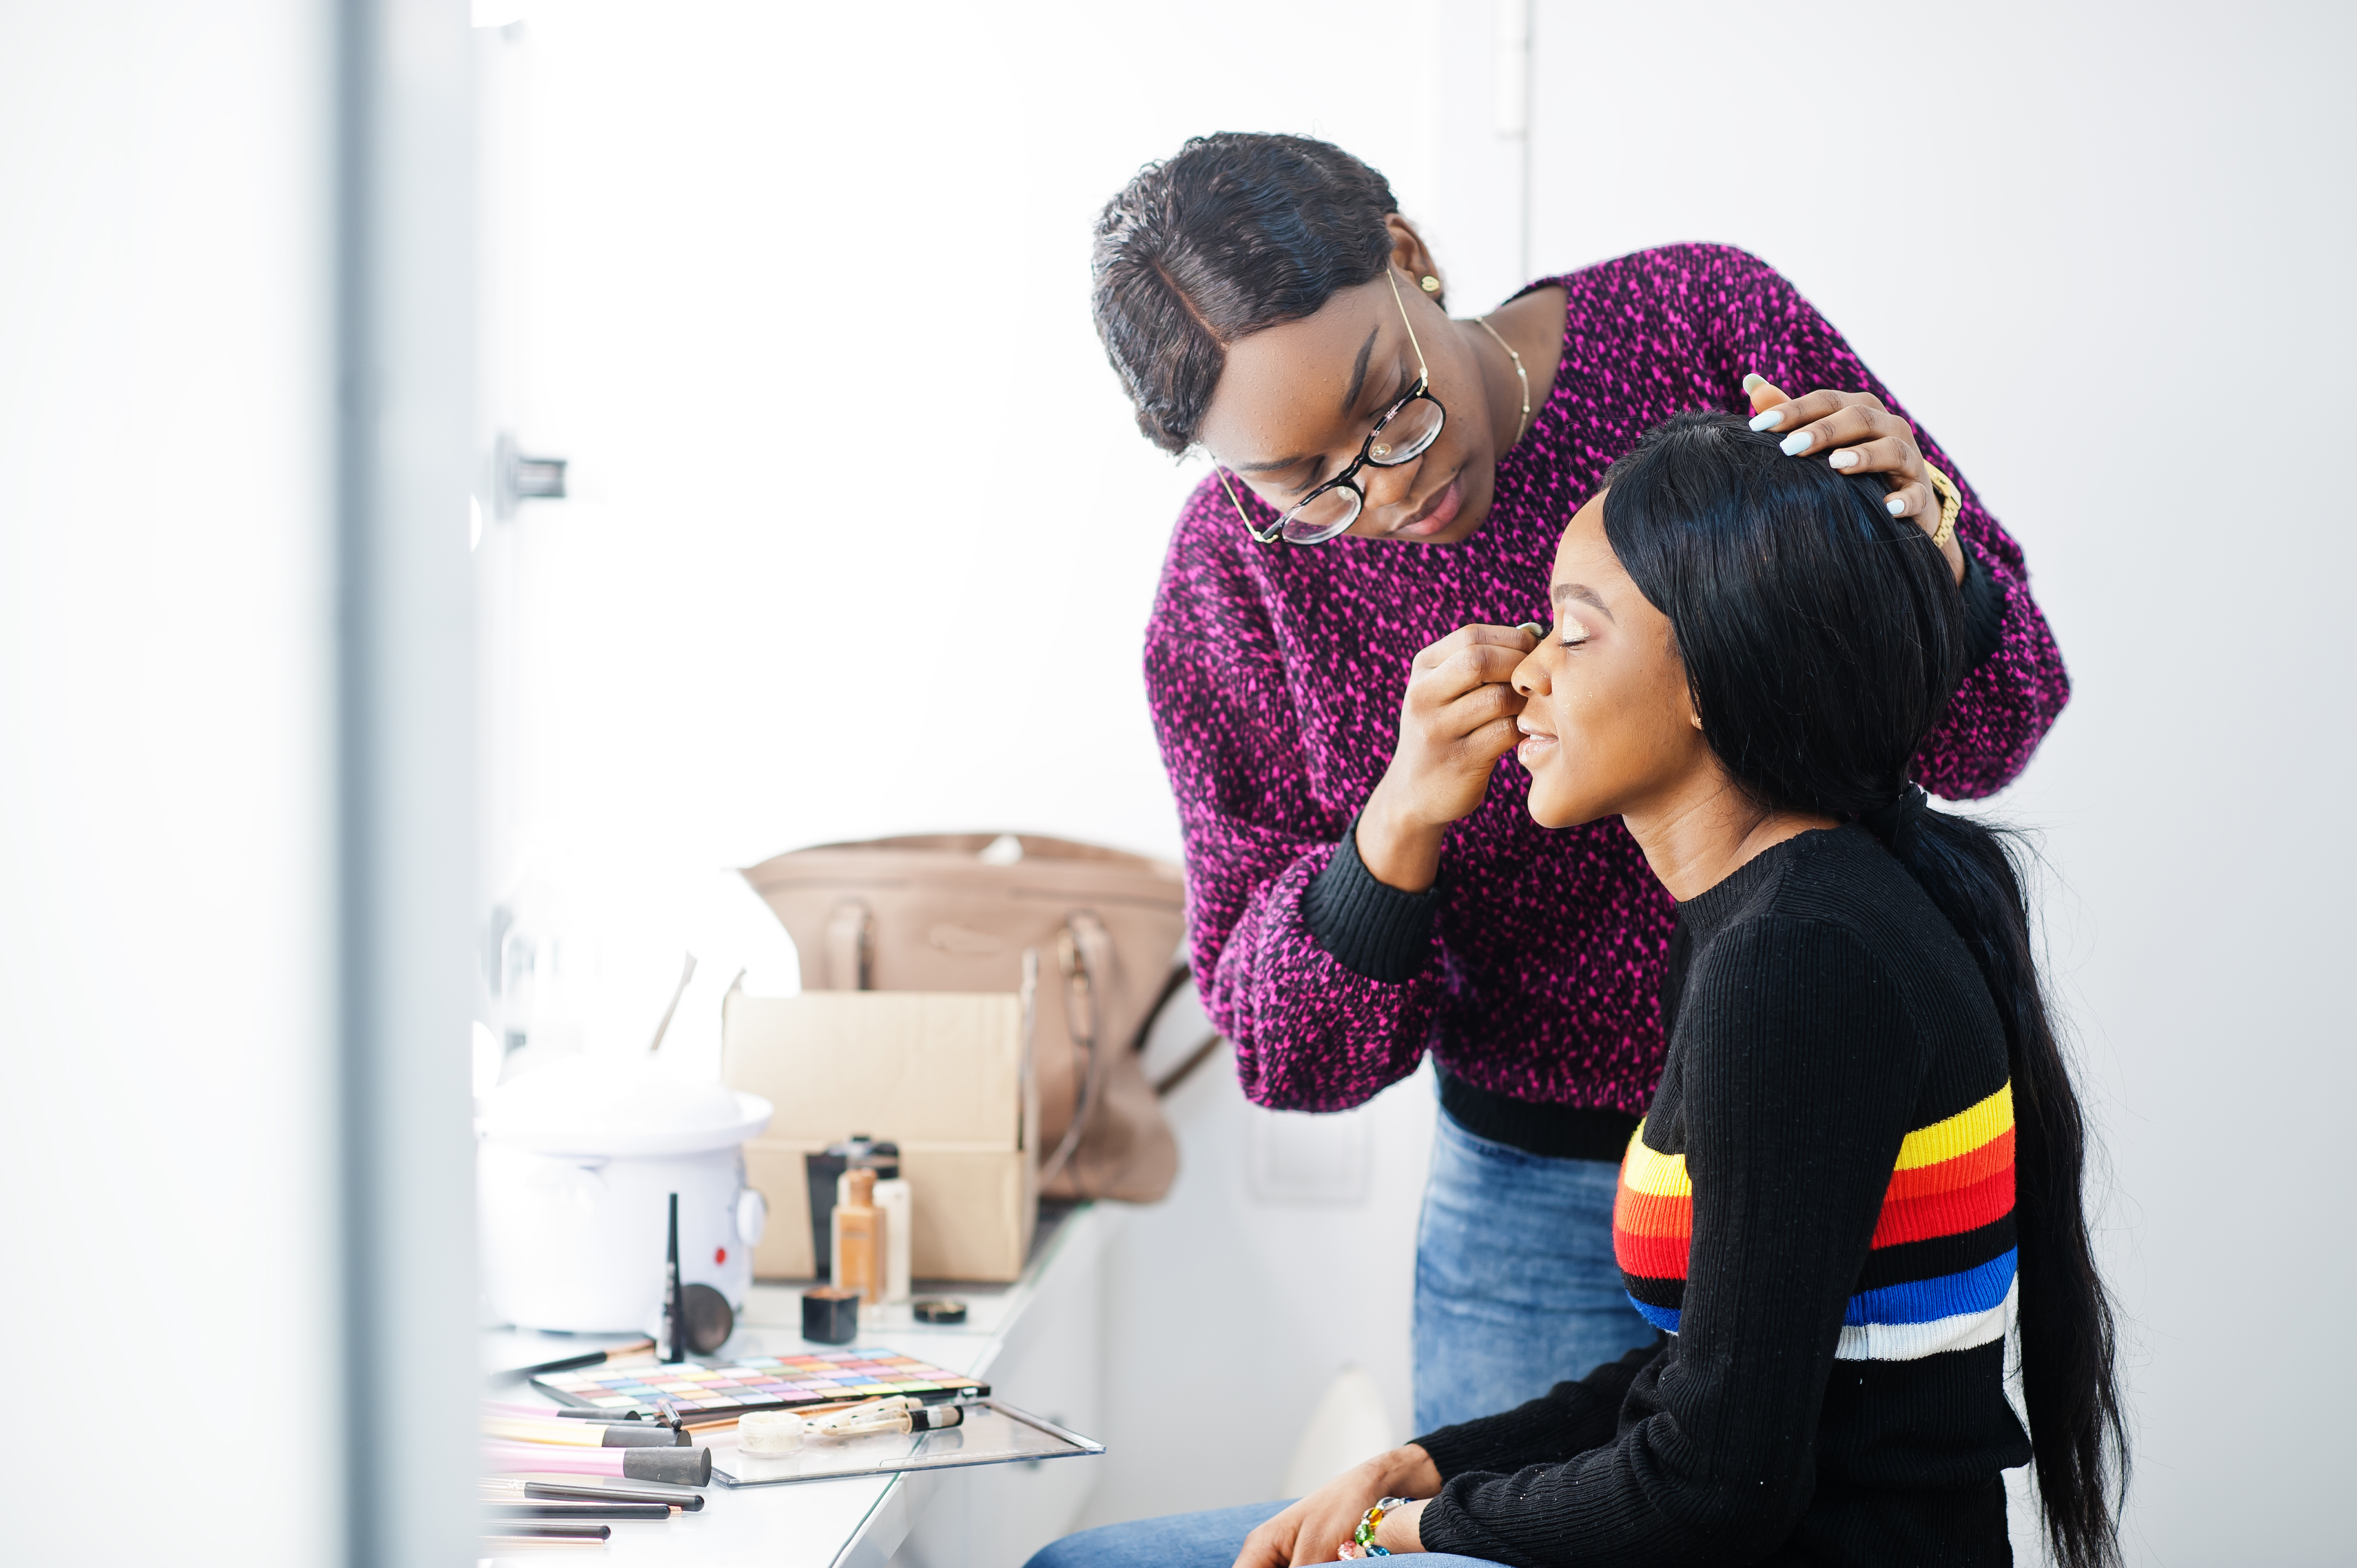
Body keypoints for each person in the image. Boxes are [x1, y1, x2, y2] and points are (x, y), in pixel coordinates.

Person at [1028, 412, 2127, 1568]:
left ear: (1712, 670)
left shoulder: (1798, 962)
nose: (1526, 670)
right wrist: (1436, 1464)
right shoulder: (1762, 920)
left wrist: (1404, 1530)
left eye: (1570, 631)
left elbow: (1713, 1487)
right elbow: (1697, 1377)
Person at [1092, 132, 2070, 1429]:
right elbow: (1289, 1052)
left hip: (1850, 1141)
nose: (1388, 489)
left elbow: (1997, 722)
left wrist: (1930, 568)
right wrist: (1395, 828)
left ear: (1409, 260)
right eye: (1305, 481)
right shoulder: (1237, 577)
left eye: (1388, 403)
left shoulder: (1697, 326)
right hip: (1537, 1205)